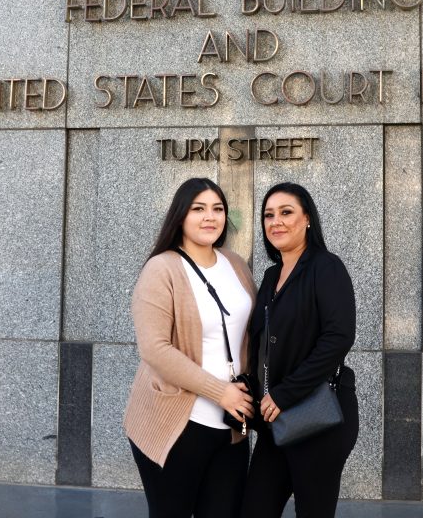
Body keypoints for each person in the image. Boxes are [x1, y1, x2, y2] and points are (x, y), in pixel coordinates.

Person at [124, 177, 257, 518]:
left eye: (218, 209)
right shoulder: (162, 268)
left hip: (231, 428)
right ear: (180, 216)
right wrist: (220, 392)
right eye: (198, 209)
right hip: (176, 422)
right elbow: (155, 349)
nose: (209, 217)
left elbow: (251, 335)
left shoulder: (236, 265)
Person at [241, 182, 358, 518]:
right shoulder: (270, 276)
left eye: (286, 212)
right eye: (268, 215)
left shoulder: (326, 266)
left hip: (317, 417)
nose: (276, 221)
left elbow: (338, 338)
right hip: (275, 421)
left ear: (307, 218)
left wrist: (284, 394)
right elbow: (262, 347)